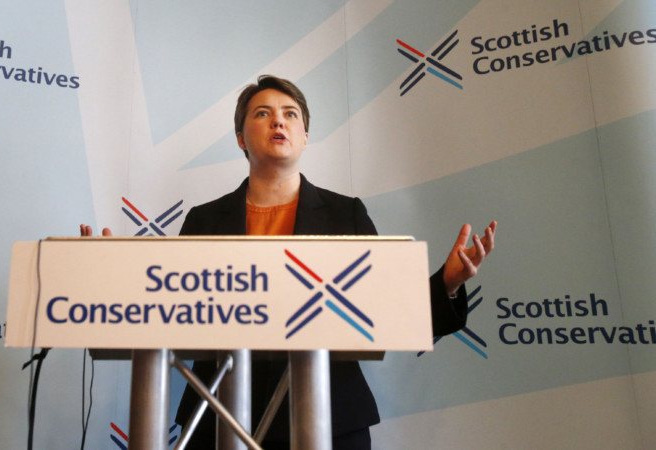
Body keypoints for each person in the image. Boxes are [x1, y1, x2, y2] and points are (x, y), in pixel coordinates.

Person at [81, 75, 496, 449]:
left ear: (304, 135)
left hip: (331, 418)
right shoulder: (204, 220)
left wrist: (447, 284)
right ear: (241, 138)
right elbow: (170, 311)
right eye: (262, 114)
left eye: (290, 114)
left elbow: (385, 306)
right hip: (217, 415)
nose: (278, 122)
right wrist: (110, 281)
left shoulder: (345, 214)